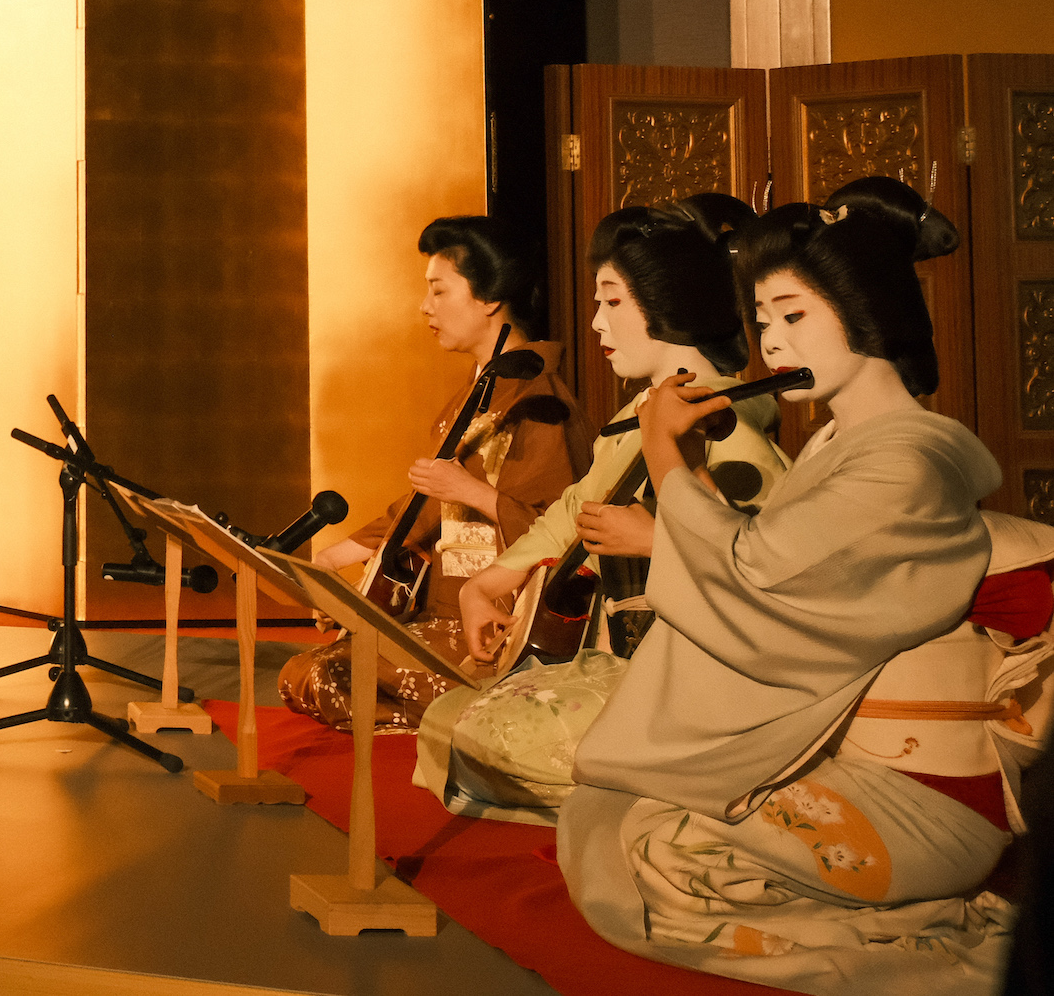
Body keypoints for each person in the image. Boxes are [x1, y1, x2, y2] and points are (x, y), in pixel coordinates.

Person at [561, 176, 1054, 992]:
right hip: (842, 755)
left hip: (923, 793)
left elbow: (754, 582)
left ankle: (925, 942)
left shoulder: (908, 463)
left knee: (665, 850)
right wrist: (689, 474)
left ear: (866, 311)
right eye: (761, 322)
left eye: (793, 317)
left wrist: (664, 456)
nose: (771, 345)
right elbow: (767, 571)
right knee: (614, 816)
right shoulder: (837, 446)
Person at [416, 196, 792, 821]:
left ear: (667, 304)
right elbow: (575, 506)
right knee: (450, 720)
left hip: (699, 683)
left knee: (479, 736)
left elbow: (769, 571)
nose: (595, 324)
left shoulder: (731, 429)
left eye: (612, 303)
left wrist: (658, 541)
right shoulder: (636, 415)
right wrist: (489, 582)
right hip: (626, 661)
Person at [278, 214, 587, 730]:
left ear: (489, 299)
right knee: (303, 675)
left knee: (330, 677)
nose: (426, 306)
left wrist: (472, 492)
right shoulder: (476, 393)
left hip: (492, 623)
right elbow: (424, 507)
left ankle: (489, 709)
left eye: (439, 291)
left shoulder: (538, 402)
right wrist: (336, 557)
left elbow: (563, 529)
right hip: (439, 612)